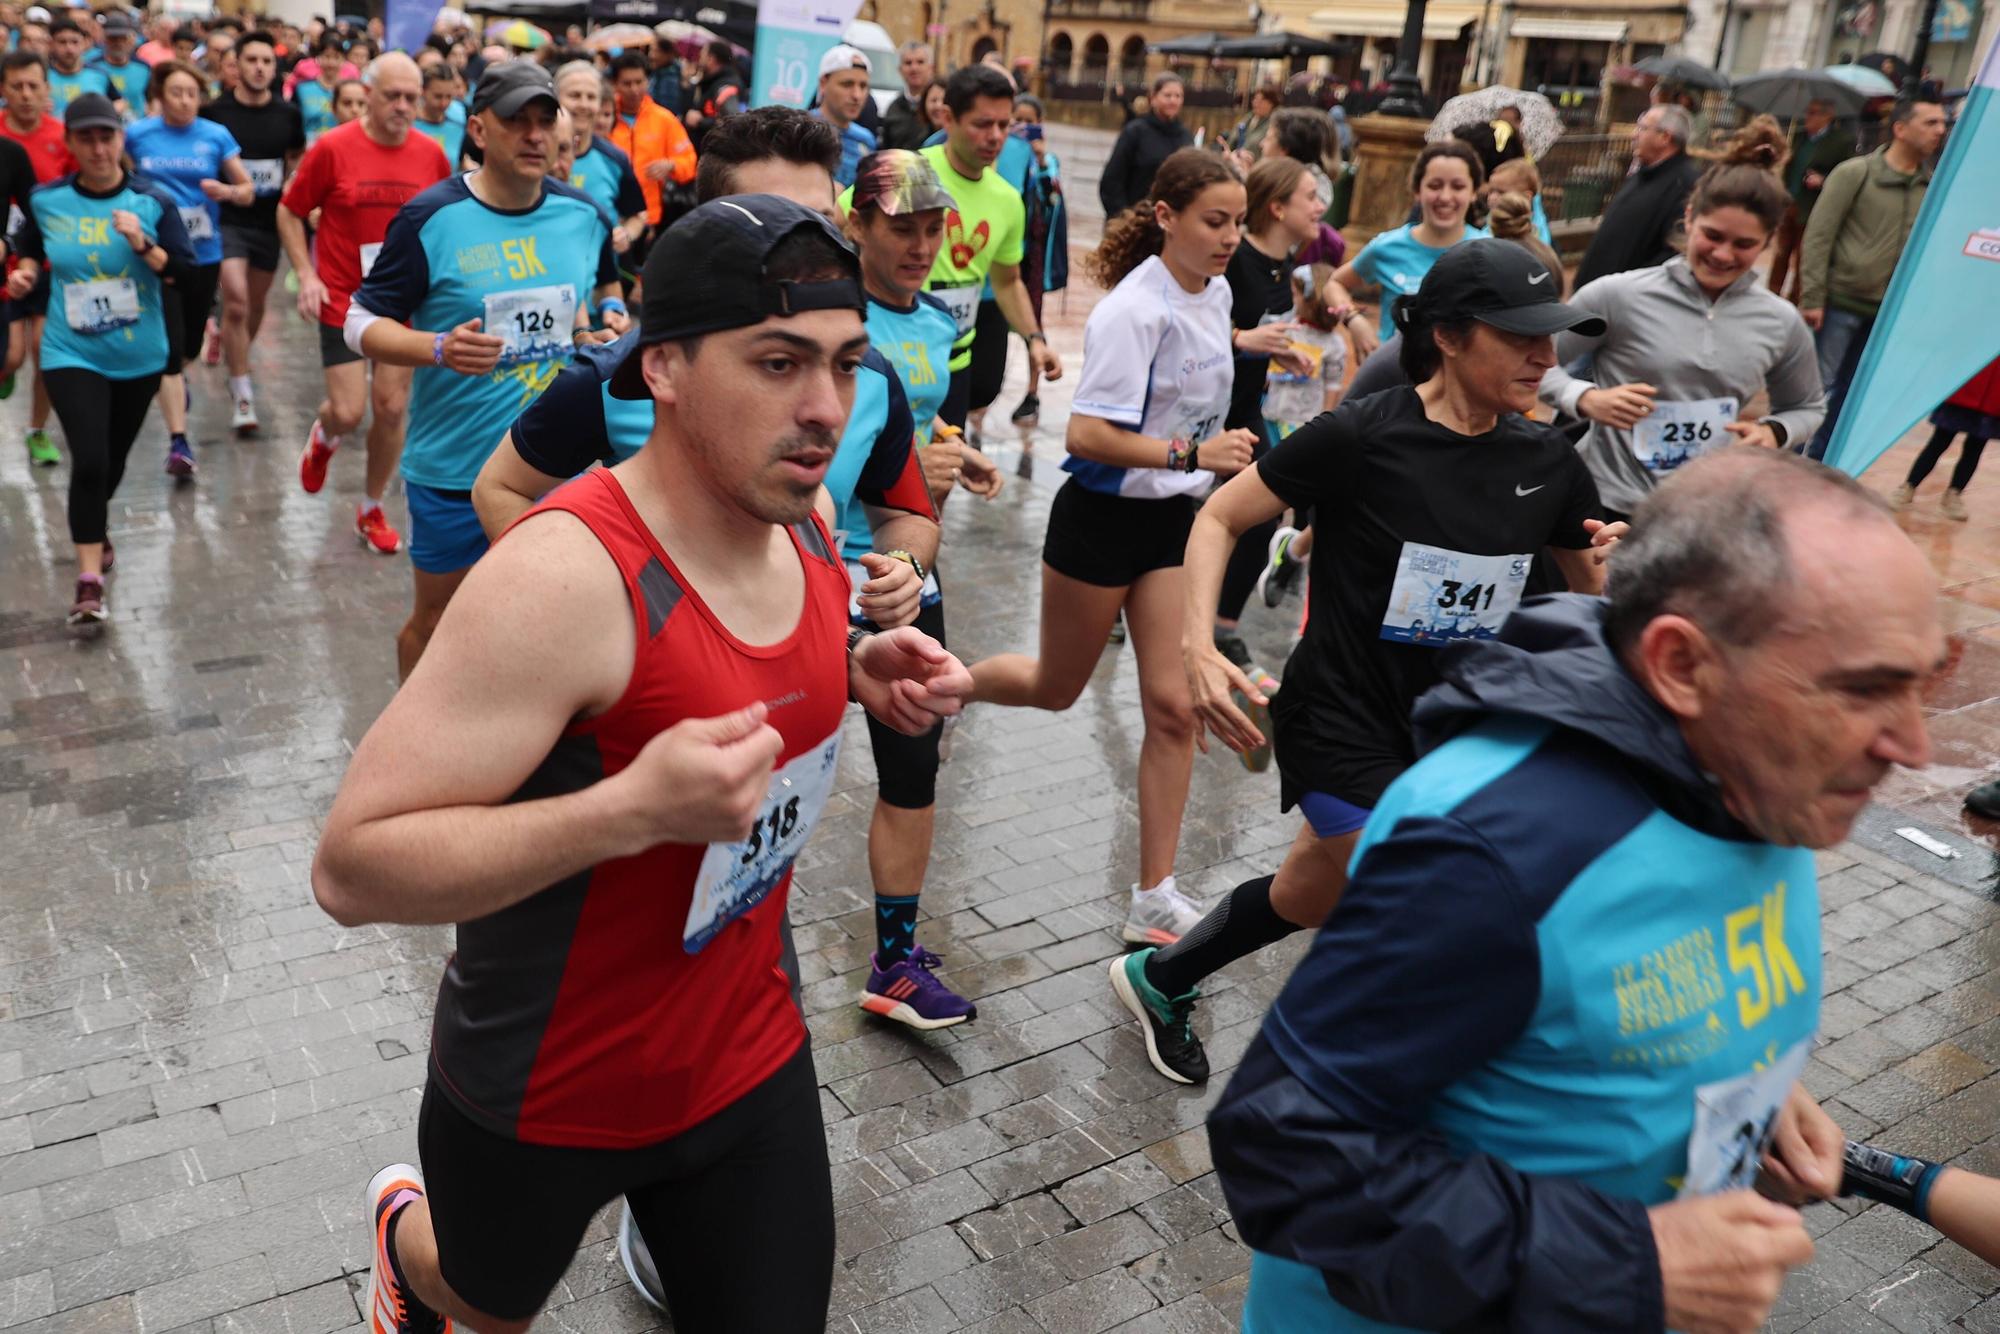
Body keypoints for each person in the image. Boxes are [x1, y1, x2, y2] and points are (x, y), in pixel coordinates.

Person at [314, 193, 974, 1334]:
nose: (824, 409)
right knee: (475, 1300)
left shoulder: (808, 522)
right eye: (777, 362)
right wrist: (623, 809)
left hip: (745, 1052)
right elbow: (353, 868)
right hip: (547, 1083)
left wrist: (858, 668)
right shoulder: (561, 576)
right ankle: (401, 1240)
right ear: (660, 368)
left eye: (844, 363)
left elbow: (748, 665)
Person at [1207, 446, 1943, 1332]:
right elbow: (1285, 1151)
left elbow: (1614, 1008)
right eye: (1865, 690)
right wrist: (1627, 1260)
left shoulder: (1760, 777)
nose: (1913, 745)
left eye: (1922, 683)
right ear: (1681, 667)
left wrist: (1748, 1090)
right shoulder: (1496, 847)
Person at [1112, 240, 1621, 1089]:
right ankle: (1371, 1088)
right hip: (1342, 710)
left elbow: (1587, 595)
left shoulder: (1549, 462)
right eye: (1521, 336)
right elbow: (1218, 520)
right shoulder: (1361, 435)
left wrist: (1618, 567)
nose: (1547, 357)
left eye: (1554, 337)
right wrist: (1197, 645)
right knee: (1413, 882)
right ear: (1451, 338)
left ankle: (1158, 977)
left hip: (1458, 725)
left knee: (1311, 892)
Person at [970, 149, 1257, 949]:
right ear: (1165, 217)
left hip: (1171, 526)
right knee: (1055, 686)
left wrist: (1252, 339)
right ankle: (948, 689)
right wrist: (1191, 456)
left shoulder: (1215, 286)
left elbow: (1200, 344)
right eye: (1215, 221)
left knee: (1173, 708)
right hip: (1100, 518)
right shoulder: (1131, 311)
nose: (1231, 236)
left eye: (1238, 221)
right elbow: (1087, 432)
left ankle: (1154, 896)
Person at [346, 60, 619, 679]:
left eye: (544, 121)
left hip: (555, 465)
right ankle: (412, 736)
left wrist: (605, 317)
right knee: (439, 621)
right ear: (477, 129)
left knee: (553, 620)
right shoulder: (430, 217)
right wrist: (437, 348)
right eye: (514, 121)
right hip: (453, 469)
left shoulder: (582, 214)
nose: (533, 135)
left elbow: (596, 286)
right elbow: (358, 324)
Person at [471, 106, 841, 537]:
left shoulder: (865, 368)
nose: (805, 247)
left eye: (819, 222)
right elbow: (499, 488)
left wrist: (902, 559)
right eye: (770, 221)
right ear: (710, 231)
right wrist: (588, 593)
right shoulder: (618, 375)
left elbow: (893, 511)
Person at [842, 148, 1004, 1030]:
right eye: (900, 225)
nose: (920, 243)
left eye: (933, 226)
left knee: (915, 762)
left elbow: (922, 418)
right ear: (857, 224)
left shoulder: (941, 320)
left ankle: (895, 962)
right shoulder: (826, 317)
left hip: (907, 573)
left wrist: (954, 452)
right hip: (814, 568)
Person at [1544, 118, 1825, 522]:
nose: (1724, 255)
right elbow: (1534, 363)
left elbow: (1807, 406)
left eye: (1744, 244)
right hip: (1600, 503)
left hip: (1697, 515)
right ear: (1690, 217)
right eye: (1713, 235)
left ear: (1768, 240)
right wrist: (1585, 398)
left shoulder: (1780, 321)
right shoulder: (1617, 295)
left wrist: (1773, 432)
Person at [8, 94, 195, 628]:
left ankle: (95, 523)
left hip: (138, 354)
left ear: (121, 140)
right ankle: (89, 580)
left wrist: (143, 245)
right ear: (69, 143)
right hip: (72, 350)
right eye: (85, 137)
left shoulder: (151, 201)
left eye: (106, 136)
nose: (97, 147)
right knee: (88, 459)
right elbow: (28, 249)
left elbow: (182, 271)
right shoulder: (48, 201)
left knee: (110, 462)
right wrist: (24, 273)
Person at [1210, 156, 1366, 713]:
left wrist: (1343, 322)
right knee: (1201, 522)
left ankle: (1223, 628)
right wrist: (1243, 339)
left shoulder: (1294, 265)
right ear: (1278, 208)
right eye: (1310, 197)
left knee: (1254, 521)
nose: (1320, 207)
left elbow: (1325, 292)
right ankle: (1146, 612)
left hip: (1255, 414)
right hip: (1210, 414)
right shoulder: (1235, 259)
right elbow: (1200, 320)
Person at [281, 51, 450, 558]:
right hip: (343, 297)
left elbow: (441, 225)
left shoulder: (431, 155)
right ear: (368, 95)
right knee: (350, 411)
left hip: (401, 301)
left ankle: (370, 507)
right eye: (392, 95)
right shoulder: (333, 148)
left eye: (410, 98)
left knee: (393, 407)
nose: (402, 106)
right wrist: (306, 274)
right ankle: (325, 435)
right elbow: (290, 212)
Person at [862, 63, 1057, 432]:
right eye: (983, 124)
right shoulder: (908, 170)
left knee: (942, 477)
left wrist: (1035, 339)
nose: (996, 136)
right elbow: (842, 221)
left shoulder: (1006, 198)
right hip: (889, 358)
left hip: (953, 363)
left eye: (1004, 124)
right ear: (948, 119)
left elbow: (1007, 281)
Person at [126, 58, 253, 480]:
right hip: (156, 255)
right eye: (175, 93)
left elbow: (248, 191)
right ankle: (179, 442)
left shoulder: (215, 135)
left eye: (191, 94)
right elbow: (115, 176)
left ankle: (180, 377)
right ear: (159, 97)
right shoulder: (137, 135)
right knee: (170, 349)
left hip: (204, 252)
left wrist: (228, 191)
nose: (183, 101)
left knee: (190, 345)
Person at [1800, 98, 1947, 462]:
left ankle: (1820, 468)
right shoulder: (1855, 173)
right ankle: (1785, 464)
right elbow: (1819, 235)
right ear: (1900, 129)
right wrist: (1813, 297)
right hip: (1838, 306)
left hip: (1885, 315)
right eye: (1930, 123)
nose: (1940, 131)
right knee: (1815, 393)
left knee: (1852, 398)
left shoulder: (1931, 187)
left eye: (1942, 124)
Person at [201, 29, 304, 437]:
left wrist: (294, 192)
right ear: (236, 66)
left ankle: (231, 348)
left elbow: (294, 158)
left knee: (254, 305)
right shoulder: (216, 113)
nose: (260, 68)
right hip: (227, 221)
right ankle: (243, 391)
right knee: (238, 302)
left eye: (266, 61)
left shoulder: (287, 114)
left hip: (269, 222)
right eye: (251, 60)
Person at [1330, 140, 1488, 346]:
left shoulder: (1488, 251)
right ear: (1417, 190)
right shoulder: (1388, 247)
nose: (1445, 196)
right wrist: (1353, 319)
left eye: (1458, 186)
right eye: (1434, 185)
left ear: (1474, 192)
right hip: (1395, 373)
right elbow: (1334, 284)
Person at [1, 51, 76, 468]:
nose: (26, 95)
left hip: (51, 263)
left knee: (45, 353)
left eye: (34, 86)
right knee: (12, 355)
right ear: (3, 90)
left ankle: (37, 431)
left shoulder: (63, 136)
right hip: (5, 265)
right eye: (17, 86)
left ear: (47, 89)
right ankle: (6, 370)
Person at [1573, 104, 1702, 289]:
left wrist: (1626, 291)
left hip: (1622, 300)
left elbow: (1672, 253)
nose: (1634, 135)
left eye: (1642, 128)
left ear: (1664, 137)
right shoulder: (1644, 175)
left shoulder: (1685, 185)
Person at [1003, 91, 1066, 433]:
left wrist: (1041, 163)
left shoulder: (1047, 160)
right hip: (1006, 248)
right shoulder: (1003, 154)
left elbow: (1052, 197)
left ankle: (1032, 390)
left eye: (1031, 122)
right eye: (1018, 120)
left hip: (1033, 254)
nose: (1023, 127)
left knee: (1033, 324)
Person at [1891, 353, 2000, 520]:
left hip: (1993, 396)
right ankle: (1908, 487)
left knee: (1975, 448)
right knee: (1939, 441)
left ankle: (1954, 495)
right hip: (1968, 385)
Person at [555, 61, 644, 259]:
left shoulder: (615, 159)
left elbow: (637, 216)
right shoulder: (535, 154)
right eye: (575, 95)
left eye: (591, 97)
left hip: (601, 278)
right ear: (555, 97)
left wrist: (626, 235)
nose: (584, 104)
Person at [1769, 98, 1855, 301]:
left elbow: (1846, 174)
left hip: (1813, 209)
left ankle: (1795, 299)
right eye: (1808, 112)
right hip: (1791, 203)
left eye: (1813, 113)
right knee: (1781, 253)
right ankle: (1772, 293)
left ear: (1828, 116)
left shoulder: (1841, 141)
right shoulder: (1800, 137)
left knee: (1804, 257)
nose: (1808, 117)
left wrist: (1823, 180)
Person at [608, 50, 694, 233]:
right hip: (609, 215)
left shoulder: (664, 119)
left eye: (639, 82)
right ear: (614, 84)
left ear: (648, 81)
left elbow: (690, 162)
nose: (634, 90)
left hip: (650, 219)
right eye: (627, 83)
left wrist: (671, 165)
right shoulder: (604, 119)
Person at [1098, 72, 1192, 218]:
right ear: (1153, 98)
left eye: (1178, 96)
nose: (1173, 101)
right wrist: (1124, 218)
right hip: (1134, 221)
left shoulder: (1185, 137)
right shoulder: (1136, 132)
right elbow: (1112, 181)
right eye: (1167, 95)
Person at [812, 44, 874, 189]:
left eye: (863, 86)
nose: (856, 95)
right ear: (823, 83)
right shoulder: (801, 129)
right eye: (847, 84)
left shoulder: (866, 139)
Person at [42, 17, 109, 117]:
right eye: (62, 42)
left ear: (84, 44)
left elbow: (119, 101)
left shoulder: (100, 74)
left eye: (75, 42)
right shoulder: (43, 75)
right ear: (51, 45)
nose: (69, 49)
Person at [683, 40, 744, 142]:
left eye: (702, 56)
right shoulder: (710, 81)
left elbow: (732, 122)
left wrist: (701, 121)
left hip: (715, 149)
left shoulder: (726, 86)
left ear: (711, 59)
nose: (699, 60)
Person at [292, 31, 346, 144]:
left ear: (343, 60)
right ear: (318, 58)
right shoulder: (302, 89)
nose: (331, 63)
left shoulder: (349, 90)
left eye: (336, 57)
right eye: (326, 56)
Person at [878, 40, 933, 151]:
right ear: (900, 70)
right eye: (908, 63)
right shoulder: (893, 108)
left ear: (931, 68)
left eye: (920, 62)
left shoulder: (939, 107)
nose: (914, 68)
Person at [412, 62, 465, 169]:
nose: (443, 103)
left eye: (449, 97)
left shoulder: (458, 127)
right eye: (437, 96)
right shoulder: (410, 125)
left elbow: (460, 162)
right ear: (423, 91)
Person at [90, 12, 146, 112]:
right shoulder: (93, 68)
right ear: (104, 39)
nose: (118, 43)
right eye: (113, 38)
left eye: (122, 38)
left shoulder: (144, 68)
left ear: (130, 39)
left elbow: (153, 99)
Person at [1230, 83, 1280, 162]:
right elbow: (1233, 139)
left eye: (1261, 100)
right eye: (1255, 99)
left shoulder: (1274, 123)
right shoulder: (1248, 118)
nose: (1256, 103)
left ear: (1271, 103)